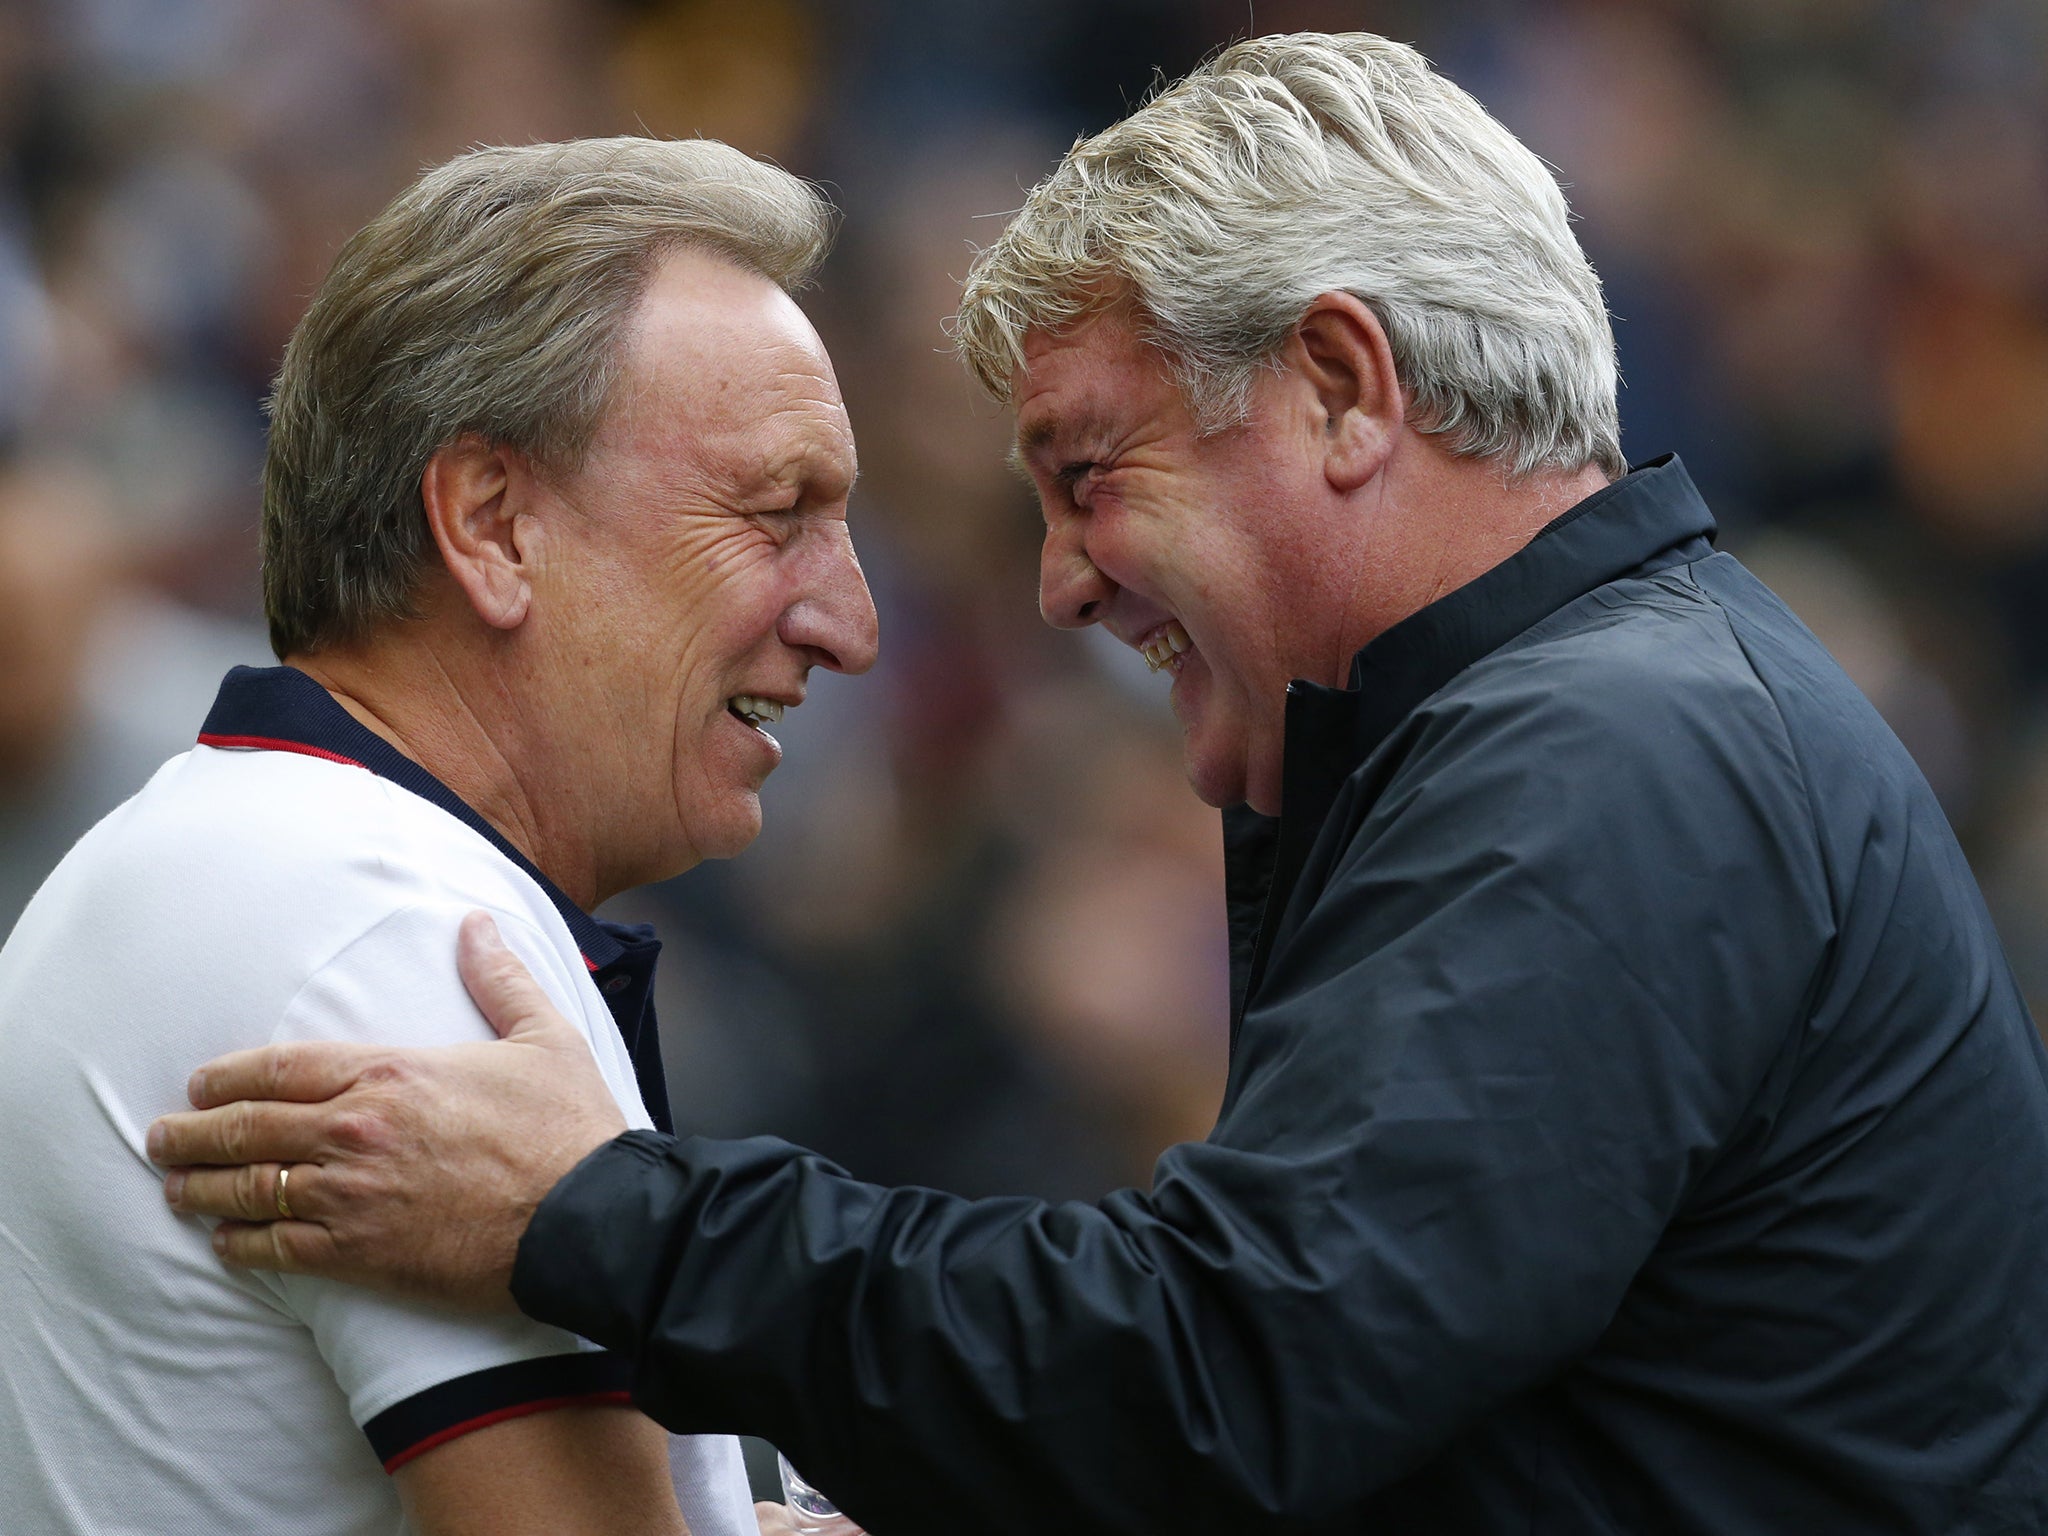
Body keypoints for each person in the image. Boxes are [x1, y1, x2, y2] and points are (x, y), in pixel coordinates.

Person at [150, 33, 2048, 1534]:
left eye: (1087, 474)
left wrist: (596, 1213)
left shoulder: (1614, 751)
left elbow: (1230, 1378)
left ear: (1340, 389)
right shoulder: (1611, 713)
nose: (1060, 583)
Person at [0, 137, 876, 1535]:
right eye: (777, 515)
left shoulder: (230, 850)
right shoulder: (397, 927)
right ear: (492, 525)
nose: (853, 624)